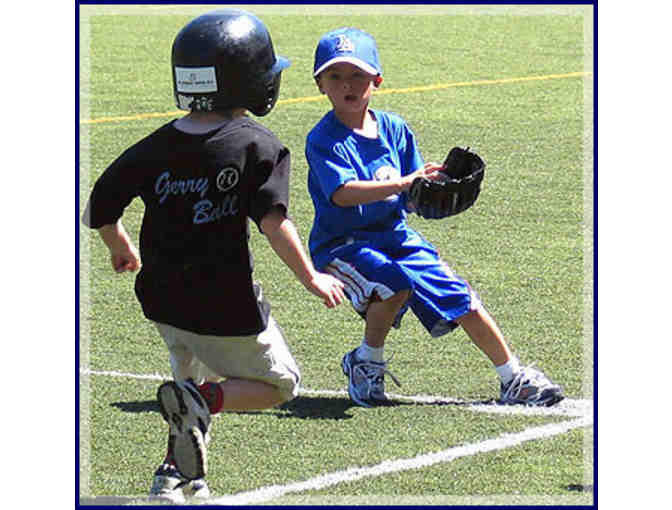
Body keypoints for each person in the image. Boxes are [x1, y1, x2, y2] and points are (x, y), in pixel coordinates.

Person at [82, 9, 345, 504]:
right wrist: (312, 277)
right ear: (246, 80)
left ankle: (174, 477)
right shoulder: (258, 145)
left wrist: (119, 245)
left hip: (163, 302)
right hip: (226, 306)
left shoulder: (155, 145)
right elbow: (274, 223)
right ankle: (202, 400)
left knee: (189, 377)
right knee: (280, 385)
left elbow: (101, 204)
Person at [305, 27, 564, 409]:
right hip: (342, 245)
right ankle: (367, 361)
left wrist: (430, 189)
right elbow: (342, 193)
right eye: (335, 76)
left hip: (395, 235)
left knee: (461, 297)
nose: (347, 84)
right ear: (320, 85)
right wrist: (405, 182)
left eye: (357, 74)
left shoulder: (394, 129)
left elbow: (411, 196)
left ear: (377, 79)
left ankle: (513, 378)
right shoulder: (324, 139)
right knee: (392, 285)